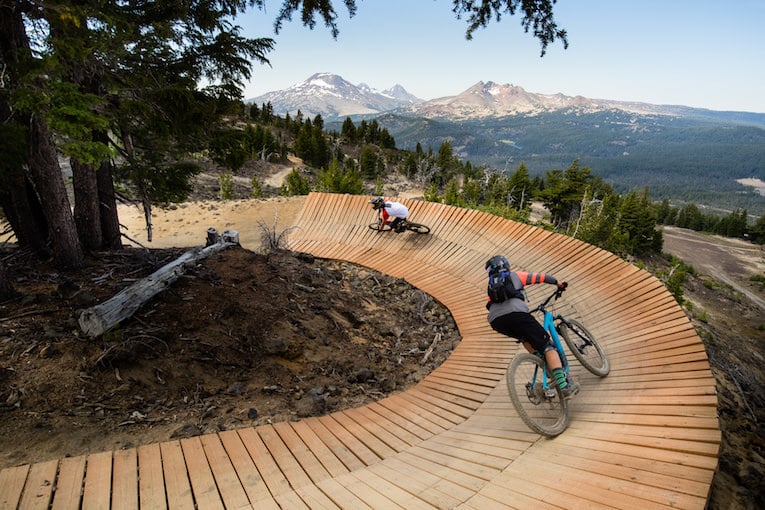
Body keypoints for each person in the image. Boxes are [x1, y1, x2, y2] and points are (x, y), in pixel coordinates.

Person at [484, 255, 579, 398]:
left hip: (496, 322)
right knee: (548, 346)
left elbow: (492, 305)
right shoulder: (515, 276)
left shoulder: (491, 286)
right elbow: (540, 277)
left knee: (524, 337)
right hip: (518, 315)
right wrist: (558, 283)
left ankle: (541, 360)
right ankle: (564, 387)